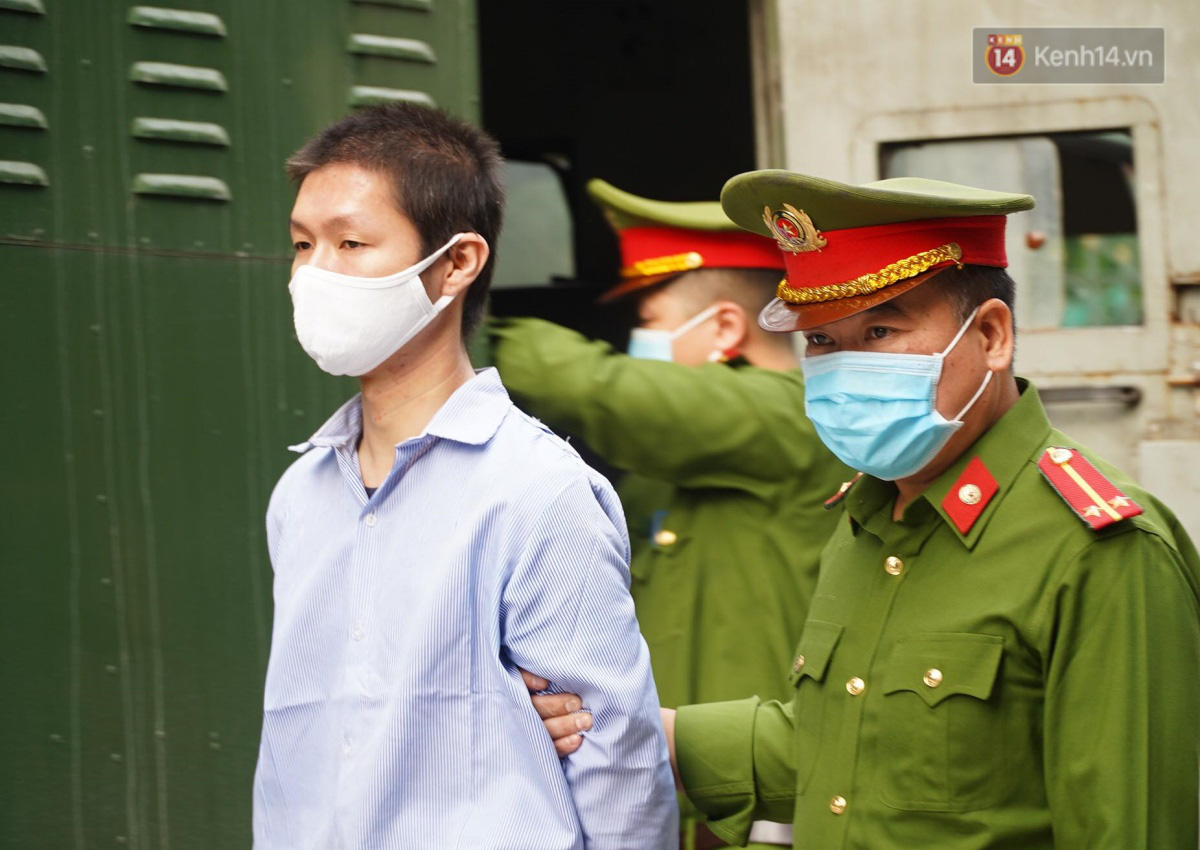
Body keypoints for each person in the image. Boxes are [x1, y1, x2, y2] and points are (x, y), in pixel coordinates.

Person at [535, 170, 1200, 848]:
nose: (845, 368)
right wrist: (632, 725)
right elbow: (841, 749)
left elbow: (1132, 827)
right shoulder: (870, 516)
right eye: (822, 342)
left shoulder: (1098, 547)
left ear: (992, 336)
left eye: (881, 331)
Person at [254, 103, 676, 849]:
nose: (314, 273)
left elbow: (616, 759)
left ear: (456, 262)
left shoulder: (537, 492)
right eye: (301, 244)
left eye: (351, 242)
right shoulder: (302, 495)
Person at [491, 179, 851, 848]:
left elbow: (596, 389)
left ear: (722, 328)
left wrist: (473, 328)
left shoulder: (789, 417)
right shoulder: (676, 465)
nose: (639, 344)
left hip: (757, 811)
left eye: (650, 323)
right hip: (664, 796)